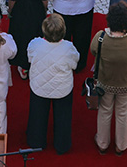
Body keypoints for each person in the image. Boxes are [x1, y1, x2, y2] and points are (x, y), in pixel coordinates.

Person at [91, 1, 127, 155]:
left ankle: (102, 143)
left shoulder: (100, 38)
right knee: (123, 113)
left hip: (105, 83)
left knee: (105, 111)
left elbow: (94, 52)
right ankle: (121, 145)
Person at [26, 13, 79, 154]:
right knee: (63, 117)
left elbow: (30, 58)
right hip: (62, 88)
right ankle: (62, 144)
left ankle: (36, 141)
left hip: (39, 86)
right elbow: (74, 64)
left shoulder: (35, 44)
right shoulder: (69, 47)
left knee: (37, 115)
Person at [8, 0, 49, 78]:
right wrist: (44, 12)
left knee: (20, 37)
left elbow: (12, 0)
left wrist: (10, 12)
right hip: (36, 13)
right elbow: (45, 1)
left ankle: (22, 64)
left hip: (20, 13)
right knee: (35, 36)